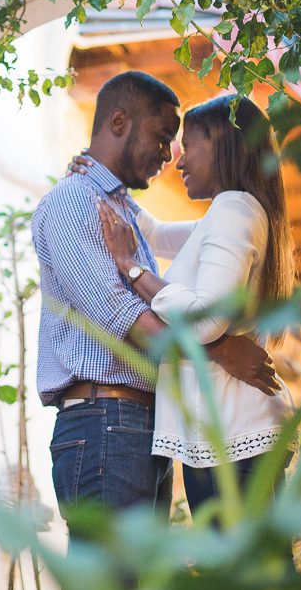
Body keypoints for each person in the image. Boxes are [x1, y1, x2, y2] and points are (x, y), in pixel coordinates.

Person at [33, 72, 281, 533]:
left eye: (181, 142)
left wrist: (131, 259)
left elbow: (164, 239)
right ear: (120, 122)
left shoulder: (208, 211)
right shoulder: (75, 203)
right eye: (164, 138)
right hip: (106, 419)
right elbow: (125, 322)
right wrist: (222, 350)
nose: (170, 157)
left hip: (135, 426)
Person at [90, 93, 296, 512]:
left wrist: (131, 268)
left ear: (222, 144)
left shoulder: (234, 208)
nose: (178, 160)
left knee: (240, 573)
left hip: (232, 437)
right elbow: (157, 233)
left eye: (189, 145)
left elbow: (206, 321)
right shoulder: (236, 212)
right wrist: (101, 175)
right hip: (231, 436)